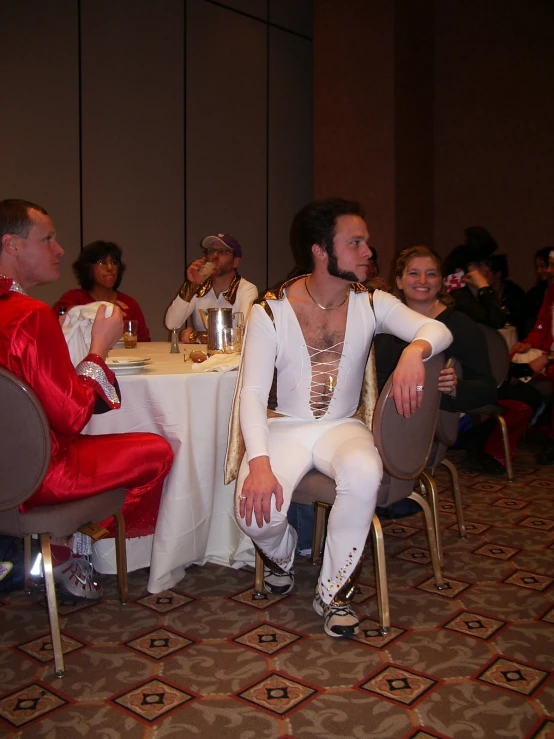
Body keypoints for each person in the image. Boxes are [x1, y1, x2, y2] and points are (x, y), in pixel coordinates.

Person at [227, 198, 452, 639]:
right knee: (254, 516)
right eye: (355, 243)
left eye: (366, 242)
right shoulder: (270, 310)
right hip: (286, 426)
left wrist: (414, 350)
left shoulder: (373, 302)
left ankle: (333, 593)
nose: (369, 251)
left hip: (342, 426)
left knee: (365, 470)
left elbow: (438, 330)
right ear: (320, 250)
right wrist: (258, 461)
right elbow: (251, 393)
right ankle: (283, 555)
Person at [0, 199, 173, 600]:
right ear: (10, 245)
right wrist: (98, 347)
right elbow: (73, 415)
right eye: (47, 239)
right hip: (38, 473)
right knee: (158, 451)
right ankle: (69, 549)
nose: (59, 250)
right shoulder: (29, 315)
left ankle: (55, 548)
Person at [375, 246, 500, 474]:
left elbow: (488, 388)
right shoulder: (384, 324)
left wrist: (455, 388)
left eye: (431, 274)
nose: (423, 280)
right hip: (377, 418)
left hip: (424, 428)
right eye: (413, 273)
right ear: (399, 281)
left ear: (440, 282)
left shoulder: (460, 325)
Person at [165, 233, 258, 342]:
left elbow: (244, 335)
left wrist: (196, 337)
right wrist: (191, 284)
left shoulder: (247, 289)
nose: (215, 256)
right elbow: (172, 324)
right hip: (202, 358)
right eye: (211, 251)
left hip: (232, 358)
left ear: (236, 262)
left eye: (222, 251)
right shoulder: (199, 288)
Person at [53, 240, 151, 341]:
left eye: (114, 263)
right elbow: (55, 327)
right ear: (88, 268)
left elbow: (144, 341)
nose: (110, 268)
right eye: (102, 263)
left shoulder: (129, 303)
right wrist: (102, 308)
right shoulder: (73, 298)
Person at [511, 249, 554, 463]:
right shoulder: (550, 292)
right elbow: (541, 328)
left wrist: (549, 358)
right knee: (513, 362)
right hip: (548, 354)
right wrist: (528, 344)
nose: (546, 271)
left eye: (550, 266)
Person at [488, 254, 527, 340]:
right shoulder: (484, 292)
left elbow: (521, 321)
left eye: (488, 271)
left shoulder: (515, 293)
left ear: (498, 274)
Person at [524, 247, 552, 338]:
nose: (539, 271)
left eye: (543, 266)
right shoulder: (535, 293)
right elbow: (540, 325)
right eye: (537, 267)